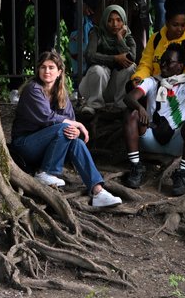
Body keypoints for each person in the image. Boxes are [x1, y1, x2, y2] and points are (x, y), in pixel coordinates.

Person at [10, 51, 122, 208]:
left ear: (59, 72)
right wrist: (77, 126)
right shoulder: (32, 90)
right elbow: (46, 118)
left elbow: (69, 123)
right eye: (43, 67)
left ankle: (98, 191)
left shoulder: (61, 94)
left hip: (48, 148)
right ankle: (46, 173)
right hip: (25, 145)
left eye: (51, 67)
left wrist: (75, 132)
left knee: (76, 143)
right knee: (64, 127)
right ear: (38, 70)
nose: (47, 71)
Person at [122, 42, 185, 196]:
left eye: (169, 62)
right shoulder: (152, 81)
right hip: (150, 137)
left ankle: (182, 173)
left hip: (177, 141)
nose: (164, 65)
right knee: (130, 113)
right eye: (162, 61)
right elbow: (129, 98)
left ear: (180, 66)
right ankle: (136, 167)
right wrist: (140, 108)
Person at [130, 0, 185, 89]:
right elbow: (146, 64)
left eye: (183, 25)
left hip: (181, 90)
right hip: (156, 86)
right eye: (175, 25)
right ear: (167, 23)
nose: (179, 29)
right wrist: (139, 77)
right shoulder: (155, 38)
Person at [78, 5, 136, 116]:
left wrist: (120, 39)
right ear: (104, 21)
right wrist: (115, 58)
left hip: (112, 89)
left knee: (130, 67)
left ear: (123, 21)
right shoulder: (96, 32)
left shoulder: (127, 37)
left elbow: (131, 59)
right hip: (92, 87)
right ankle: (93, 105)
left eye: (118, 20)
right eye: (110, 20)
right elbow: (90, 56)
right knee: (99, 70)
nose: (114, 24)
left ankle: (120, 105)